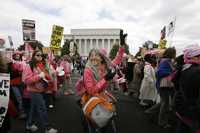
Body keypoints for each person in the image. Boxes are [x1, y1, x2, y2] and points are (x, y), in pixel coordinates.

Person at [23, 50, 58, 133]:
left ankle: (29, 124)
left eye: (41, 55)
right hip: (34, 91)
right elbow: (26, 80)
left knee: (33, 109)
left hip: (41, 90)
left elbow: (46, 76)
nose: (40, 57)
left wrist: (50, 77)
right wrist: (39, 76)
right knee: (42, 108)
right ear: (33, 56)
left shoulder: (40, 65)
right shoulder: (29, 66)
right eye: (37, 55)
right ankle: (47, 128)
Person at [175, 45, 200, 133]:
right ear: (195, 57)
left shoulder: (182, 68)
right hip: (192, 112)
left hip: (181, 107)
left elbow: (176, 85)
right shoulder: (197, 71)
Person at [156, 47, 176, 128]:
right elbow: (159, 72)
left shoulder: (165, 61)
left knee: (164, 103)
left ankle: (150, 112)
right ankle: (162, 122)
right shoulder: (166, 61)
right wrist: (172, 71)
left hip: (164, 85)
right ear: (171, 53)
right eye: (174, 53)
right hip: (164, 86)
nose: (175, 54)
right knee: (165, 105)